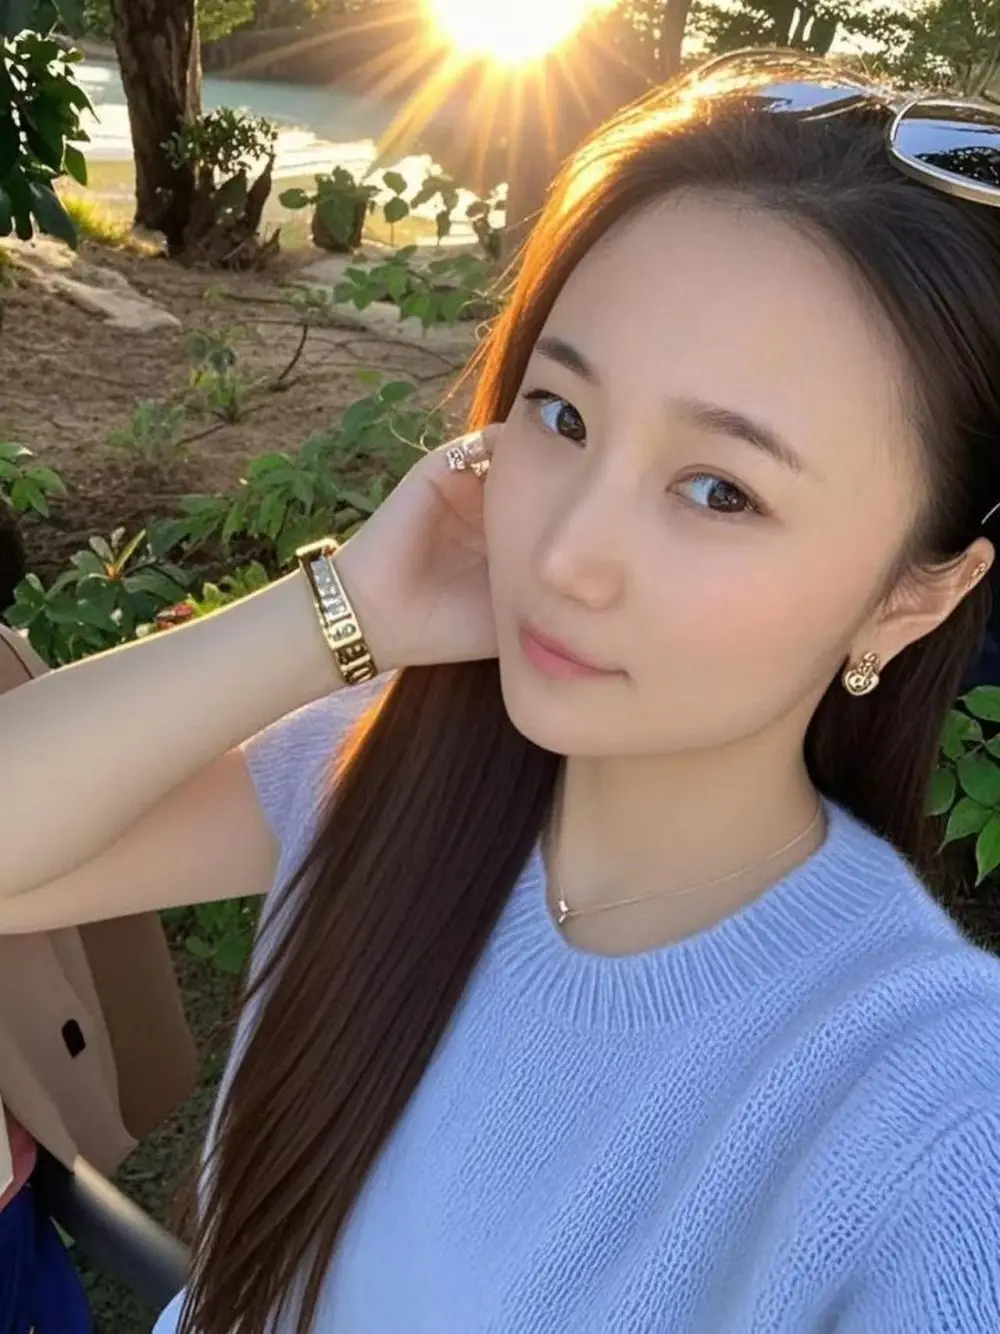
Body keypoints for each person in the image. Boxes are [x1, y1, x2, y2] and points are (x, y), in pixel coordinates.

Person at [4, 47, 1000, 1333]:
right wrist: (346, 612)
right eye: (563, 416)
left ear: (915, 595)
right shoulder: (375, 776)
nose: (567, 552)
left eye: (719, 490)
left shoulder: (933, 1115)